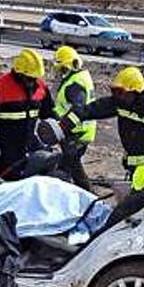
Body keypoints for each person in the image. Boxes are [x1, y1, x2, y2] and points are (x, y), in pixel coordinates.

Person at [0, 48, 54, 181]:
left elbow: (48, 114)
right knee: (4, 188)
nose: (32, 82)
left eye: (35, 78)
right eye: (29, 78)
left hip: (31, 146)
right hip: (6, 150)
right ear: (19, 73)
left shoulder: (41, 87)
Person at [83, 66, 144, 174]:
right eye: (114, 91)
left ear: (134, 91)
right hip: (134, 169)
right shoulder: (121, 103)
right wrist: (69, 120)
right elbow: (93, 109)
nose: (116, 96)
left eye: (120, 92)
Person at [51, 46, 96, 191]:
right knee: (71, 166)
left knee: (71, 167)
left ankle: (89, 197)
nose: (60, 73)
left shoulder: (74, 85)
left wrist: (62, 126)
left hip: (75, 132)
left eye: (63, 69)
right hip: (79, 131)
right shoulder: (80, 77)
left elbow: (78, 109)